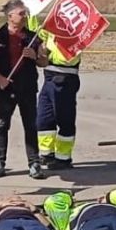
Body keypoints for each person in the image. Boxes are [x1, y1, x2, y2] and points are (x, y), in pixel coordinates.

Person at [0, 0, 47, 180]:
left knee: (30, 124)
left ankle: (34, 163)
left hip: (27, 87)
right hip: (6, 87)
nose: (24, 16)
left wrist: (35, 56)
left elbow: (44, 61)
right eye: (21, 13)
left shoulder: (33, 37)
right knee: (2, 125)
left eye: (25, 13)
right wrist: (0, 79)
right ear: (10, 16)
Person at [31, 12, 82, 170]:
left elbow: (68, 57)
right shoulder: (52, 29)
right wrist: (30, 13)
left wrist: (48, 52)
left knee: (64, 118)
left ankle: (63, 158)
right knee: (44, 118)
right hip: (49, 76)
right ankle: (46, 154)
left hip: (64, 78)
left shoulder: (75, 34)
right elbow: (37, 33)